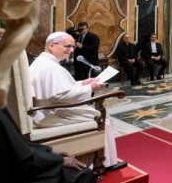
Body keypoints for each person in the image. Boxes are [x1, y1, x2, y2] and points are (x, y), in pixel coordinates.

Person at [29, 32, 126, 172]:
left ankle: (102, 160)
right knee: (102, 118)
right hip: (54, 112)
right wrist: (90, 87)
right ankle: (102, 163)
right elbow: (60, 97)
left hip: (48, 109)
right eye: (67, 46)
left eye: (73, 47)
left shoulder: (44, 62)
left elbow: (61, 89)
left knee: (100, 115)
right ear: (51, 46)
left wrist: (83, 83)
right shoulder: (50, 67)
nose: (72, 50)